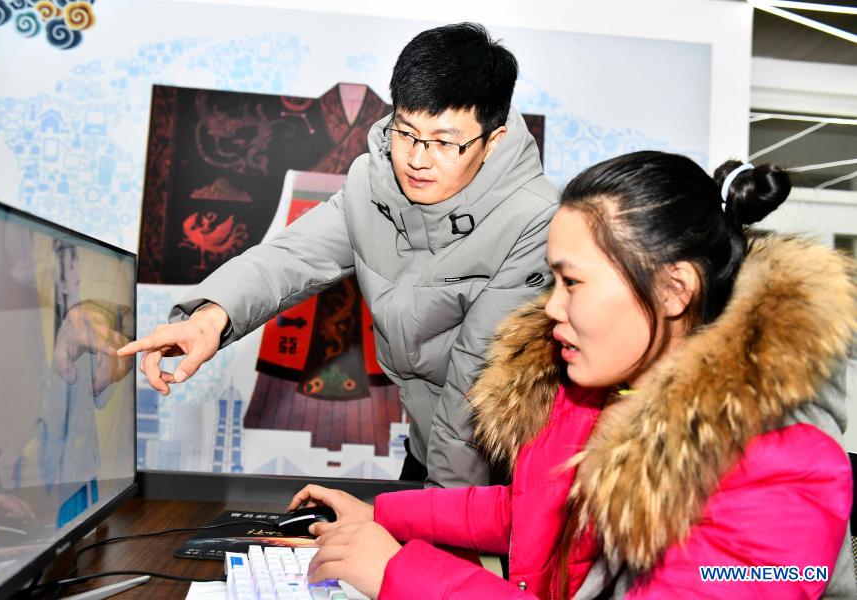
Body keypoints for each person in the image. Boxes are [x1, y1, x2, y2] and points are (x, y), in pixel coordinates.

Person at [287, 151, 857, 599]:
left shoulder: (784, 476)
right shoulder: (590, 398)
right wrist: (382, 512)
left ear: (674, 290)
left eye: (573, 283)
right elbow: (529, 510)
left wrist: (398, 572)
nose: (551, 307)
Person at [119, 23, 559, 487]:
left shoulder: (534, 221)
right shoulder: (374, 182)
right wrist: (210, 317)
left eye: (446, 142)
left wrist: (439, 524)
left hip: (502, 474)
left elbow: (473, 386)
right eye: (406, 132)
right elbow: (291, 258)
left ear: (493, 141)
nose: (417, 158)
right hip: (428, 448)